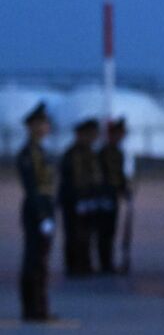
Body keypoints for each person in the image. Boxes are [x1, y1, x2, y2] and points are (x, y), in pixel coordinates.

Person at [17, 102, 58, 321]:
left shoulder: (40, 151)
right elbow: (33, 187)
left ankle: (40, 307)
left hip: (45, 209)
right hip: (36, 211)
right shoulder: (29, 153)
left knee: (41, 260)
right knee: (33, 260)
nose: (46, 127)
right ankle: (32, 309)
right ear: (33, 126)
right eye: (42, 123)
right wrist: (43, 216)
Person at [58, 118, 103, 277]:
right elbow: (71, 180)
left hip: (87, 200)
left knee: (86, 234)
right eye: (90, 135)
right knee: (74, 234)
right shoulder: (72, 154)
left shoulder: (90, 153)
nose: (93, 138)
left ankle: (85, 263)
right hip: (74, 201)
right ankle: (74, 266)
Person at [95, 117, 131, 274]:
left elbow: (119, 175)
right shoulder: (104, 152)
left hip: (113, 195)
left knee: (111, 230)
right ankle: (105, 263)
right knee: (104, 230)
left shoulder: (118, 152)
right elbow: (101, 176)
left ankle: (108, 262)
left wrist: (124, 190)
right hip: (104, 196)